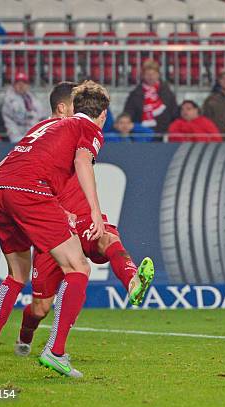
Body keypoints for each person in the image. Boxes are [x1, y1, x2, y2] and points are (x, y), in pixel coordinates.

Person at [0, 81, 109, 378]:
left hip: (0, 190)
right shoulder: (87, 127)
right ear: (102, 114)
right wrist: (95, 211)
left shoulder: (42, 127)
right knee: (78, 267)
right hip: (30, 192)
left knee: (16, 276)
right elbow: (83, 163)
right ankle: (56, 351)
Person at [14, 83, 155, 360]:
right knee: (41, 307)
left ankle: (132, 282)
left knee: (108, 240)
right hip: (54, 224)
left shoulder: (81, 132)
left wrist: (91, 211)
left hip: (82, 215)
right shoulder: (44, 137)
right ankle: (25, 333)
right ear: (61, 109)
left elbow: (82, 161)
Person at [123, 59, 178, 134]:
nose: (151, 77)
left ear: (158, 74)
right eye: (147, 74)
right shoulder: (135, 94)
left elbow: (174, 113)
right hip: (141, 135)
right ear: (143, 75)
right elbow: (129, 113)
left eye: (153, 74)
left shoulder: (167, 93)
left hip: (163, 133)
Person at [2, 72, 46, 142]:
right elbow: (13, 120)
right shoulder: (9, 99)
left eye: (24, 83)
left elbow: (42, 115)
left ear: (28, 85)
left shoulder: (32, 98)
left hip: (32, 133)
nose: (21, 86)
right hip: (16, 134)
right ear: (14, 85)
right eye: (18, 83)